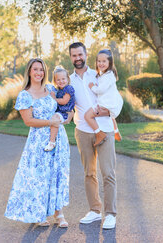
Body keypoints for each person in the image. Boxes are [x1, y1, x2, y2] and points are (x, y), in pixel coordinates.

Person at [4, 58, 70, 228]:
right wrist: (50, 123)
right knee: (39, 177)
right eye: (35, 69)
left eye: (41, 69)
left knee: (56, 174)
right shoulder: (25, 95)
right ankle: (38, 213)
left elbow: (64, 107)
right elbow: (29, 121)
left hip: (59, 138)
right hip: (38, 141)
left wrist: (64, 118)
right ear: (29, 72)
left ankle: (59, 214)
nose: (39, 73)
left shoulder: (50, 88)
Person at [69, 42, 118, 229]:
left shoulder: (99, 74)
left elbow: (114, 99)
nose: (77, 58)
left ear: (85, 54)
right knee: (89, 173)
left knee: (108, 173)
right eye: (74, 55)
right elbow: (67, 104)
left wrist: (109, 113)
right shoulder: (69, 80)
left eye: (80, 54)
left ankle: (111, 213)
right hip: (82, 130)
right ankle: (95, 211)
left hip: (104, 129)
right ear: (71, 57)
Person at [85, 49, 123, 147]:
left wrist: (92, 86)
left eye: (104, 61)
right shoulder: (107, 74)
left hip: (105, 104)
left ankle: (99, 134)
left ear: (109, 62)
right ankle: (116, 132)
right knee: (111, 117)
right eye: (99, 61)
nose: (101, 63)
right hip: (110, 103)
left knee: (87, 116)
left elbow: (100, 90)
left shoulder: (108, 76)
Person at [44, 66, 75, 151]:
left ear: (67, 79)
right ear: (55, 81)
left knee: (54, 120)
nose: (61, 81)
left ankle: (52, 142)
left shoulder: (69, 88)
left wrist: (54, 98)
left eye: (63, 79)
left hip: (64, 112)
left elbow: (64, 101)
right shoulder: (59, 90)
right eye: (58, 80)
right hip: (60, 111)